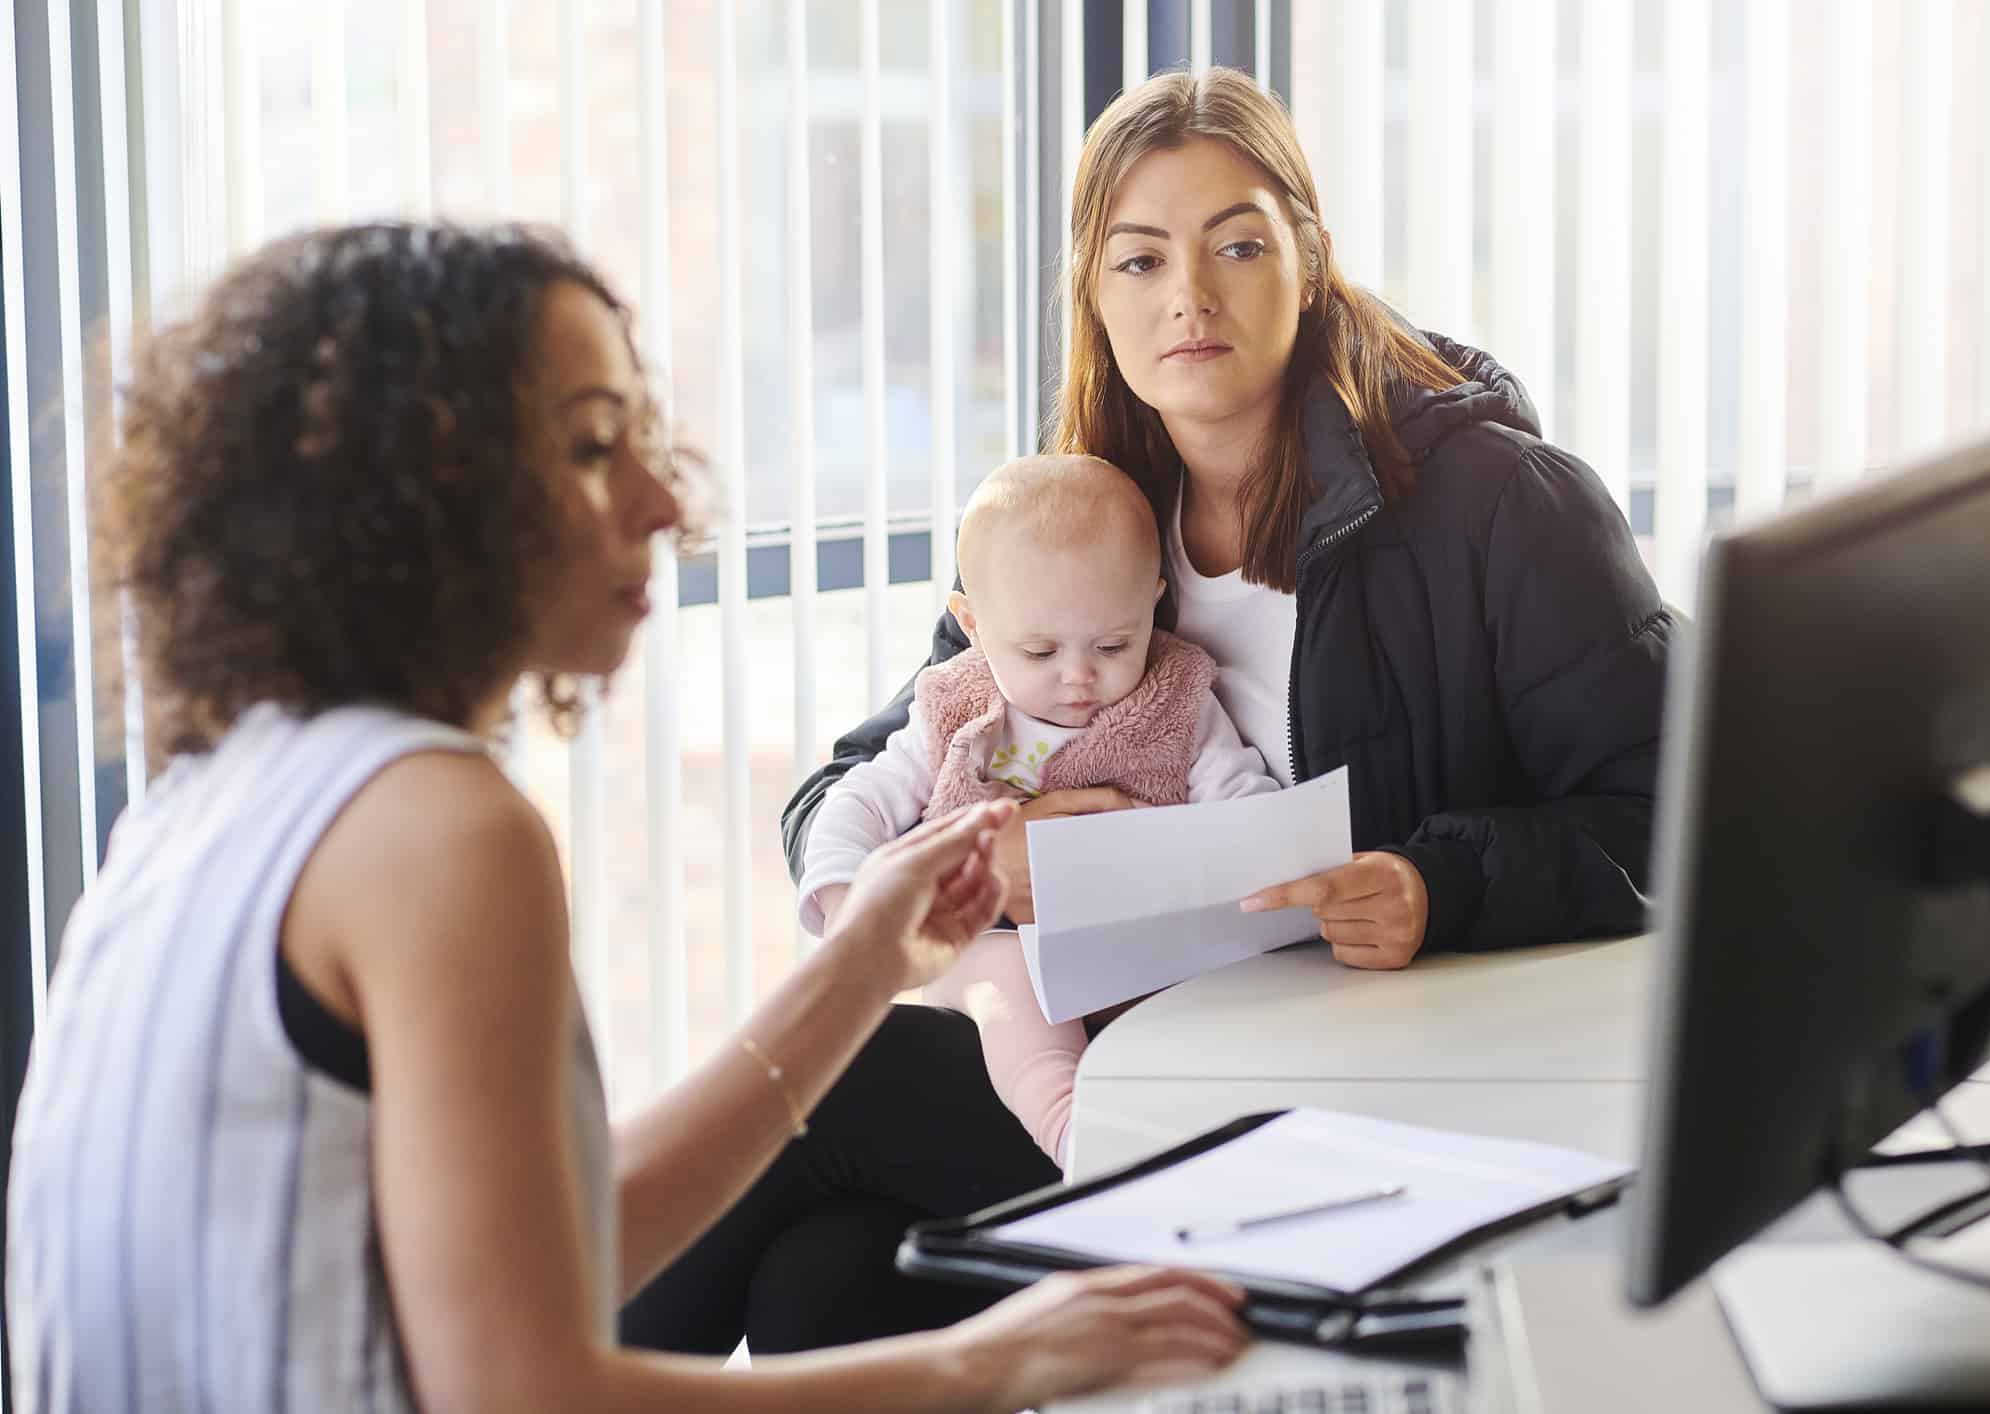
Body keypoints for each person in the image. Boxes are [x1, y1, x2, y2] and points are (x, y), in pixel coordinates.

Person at [4, 223, 1249, 1412]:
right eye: (596, 448)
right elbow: (522, 1390)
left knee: (832, 1272)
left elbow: (553, 1246)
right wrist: (991, 1363)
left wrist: (871, 953)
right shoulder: (437, 832)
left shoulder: (216, 798)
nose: (666, 499)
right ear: (425, 500)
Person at [626, 65, 1671, 1358]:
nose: (1189, 295)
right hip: (1134, 1061)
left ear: (1311, 257)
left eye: (1237, 242)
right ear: (1092, 294)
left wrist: (1434, 881)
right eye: (1138, 259)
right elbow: (865, 772)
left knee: (842, 1090)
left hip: (1356, 1096)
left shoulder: (1500, 508)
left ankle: (509, 1372)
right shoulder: (1090, 516)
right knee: (828, 1283)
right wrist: (983, 865)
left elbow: (1678, 813)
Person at [798, 453, 1278, 1164]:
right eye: (1039, 649)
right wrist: (847, 904)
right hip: (992, 949)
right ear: (972, 622)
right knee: (1009, 981)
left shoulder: (1177, 700)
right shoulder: (956, 707)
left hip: (1141, 953)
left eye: (1114, 643)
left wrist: (1250, 867)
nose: (1079, 676)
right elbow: (856, 800)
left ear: (1152, 599)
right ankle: (1069, 1128)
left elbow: (1243, 809)